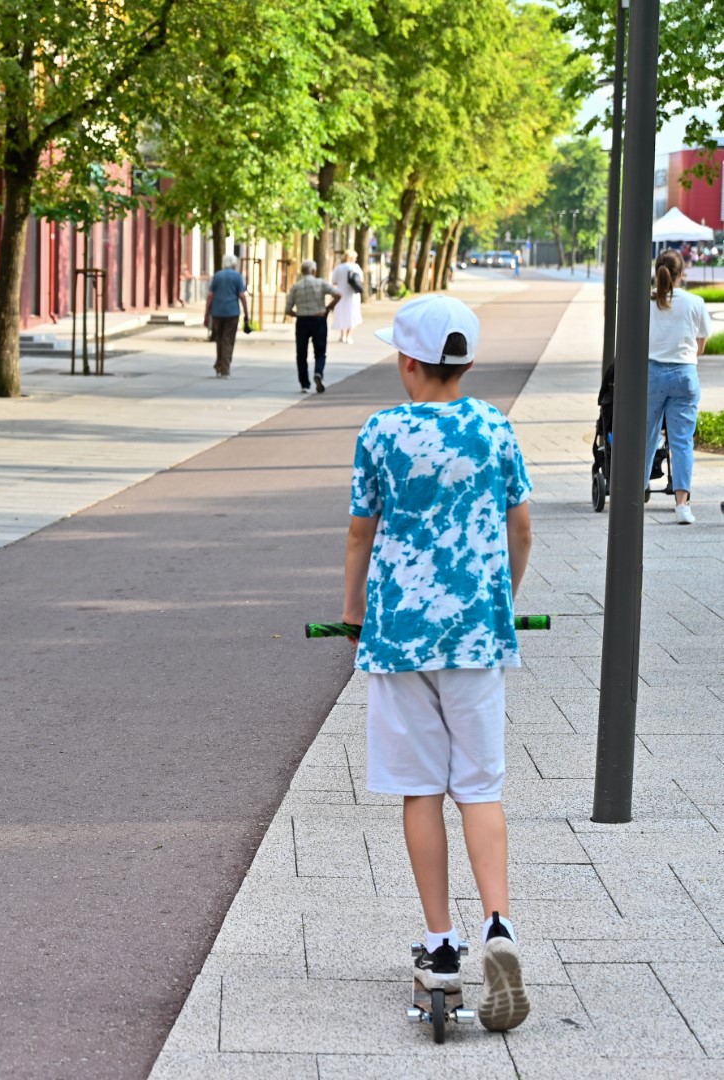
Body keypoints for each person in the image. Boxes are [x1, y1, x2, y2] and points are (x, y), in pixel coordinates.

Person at [346, 294, 534, 1034]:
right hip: (475, 635)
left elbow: (360, 534)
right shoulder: (494, 427)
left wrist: (355, 616)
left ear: (406, 362)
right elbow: (521, 529)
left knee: (420, 788)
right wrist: (499, 602)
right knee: (479, 787)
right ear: (468, 362)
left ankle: (442, 944)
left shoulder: (381, 431)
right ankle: (498, 927)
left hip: (399, 635)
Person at [646, 249, 712, 524]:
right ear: (682, 272)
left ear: (657, 270)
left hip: (651, 374)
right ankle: (682, 506)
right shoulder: (695, 302)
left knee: (645, 436)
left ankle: (637, 493)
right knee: (682, 441)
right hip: (685, 374)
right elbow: (701, 346)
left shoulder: (646, 301)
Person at [285, 260, 341, 392]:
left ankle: (304, 384)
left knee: (301, 353)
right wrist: (328, 308)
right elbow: (338, 294)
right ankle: (318, 372)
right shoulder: (320, 283)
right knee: (320, 351)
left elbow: (288, 309)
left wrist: (298, 314)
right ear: (314, 271)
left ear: (302, 271)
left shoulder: (296, 287)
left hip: (302, 321)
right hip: (318, 318)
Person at [206, 255, 249, 377]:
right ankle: (225, 368)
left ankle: (219, 366)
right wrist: (246, 313)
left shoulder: (217, 276)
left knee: (219, 339)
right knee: (228, 340)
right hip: (232, 312)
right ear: (234, 264)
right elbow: (242, 296)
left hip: (217, 312)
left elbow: (210, 296)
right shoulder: (237, 276)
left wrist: (206, 313)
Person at [331, 249, 365, 345]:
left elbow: (334, 281)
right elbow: (361, 280)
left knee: (342, 314)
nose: (356, 259)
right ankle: (349, 336)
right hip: (353, 294)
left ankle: (343, 335)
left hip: (341, 294)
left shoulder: (339, 268)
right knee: (353, 314)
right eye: (355, 258)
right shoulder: (356, 267)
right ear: (351, 258)